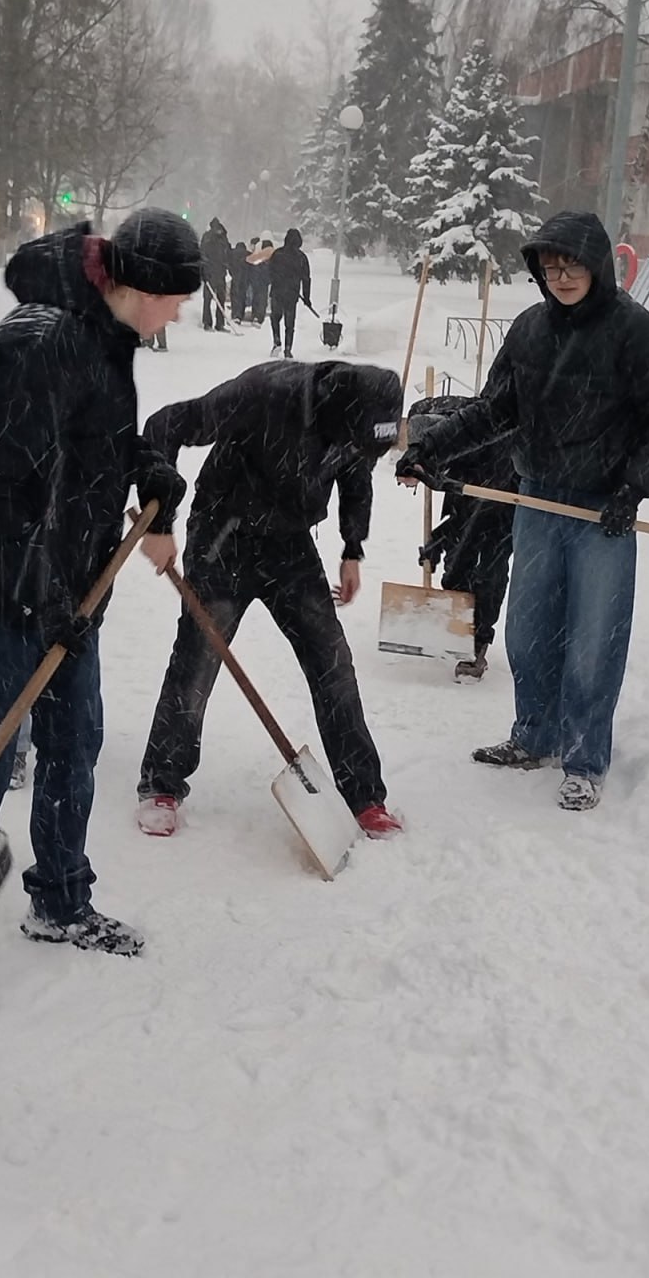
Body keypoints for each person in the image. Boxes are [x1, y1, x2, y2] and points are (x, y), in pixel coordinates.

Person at [0, 209, 201, 1012]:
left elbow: (87, 442)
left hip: (68, 589)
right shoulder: (36, 342)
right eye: (177, 299)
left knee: (74, 744)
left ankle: (62, 902)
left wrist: (146, 465)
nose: (179, 314)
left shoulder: (103, 336)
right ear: (141, 287)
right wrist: (38, 596)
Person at [397, 210, 649, 811]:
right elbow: (494, 410)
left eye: (571, 266)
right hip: (535, 499)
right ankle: (534, 737)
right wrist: (430, 446)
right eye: (550, 267)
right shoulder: (530, 330)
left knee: (592, 643)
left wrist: (633, 489)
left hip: (603, 513)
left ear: (597, 266)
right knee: (529, 633)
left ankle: (584, 760)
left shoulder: (636, 332)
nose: (560, 277)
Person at [136, 359, 405, 840]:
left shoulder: (357, 424)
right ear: (334, 410)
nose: (354, 451)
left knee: (332, 663)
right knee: (198, 660)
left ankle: (365, 796)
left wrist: (352, 548)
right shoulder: (263, 393)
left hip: (290, 543)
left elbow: (355, 475)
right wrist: (159, 523)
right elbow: (166, 424)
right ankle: (162, 784)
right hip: (224, 534)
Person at [407, 395, 516, 681]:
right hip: (469, 483)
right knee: (456, 565)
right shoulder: (431, 420)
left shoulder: (490, 440)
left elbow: (480, 516)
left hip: (506, 492)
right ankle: (456, 629)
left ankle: (478, 642)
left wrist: (447, 538)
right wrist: (440, 539)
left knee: (489, 568)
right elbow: (461, 513)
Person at [268, 227, 312, 359]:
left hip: (277, 291)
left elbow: (269, 272)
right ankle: (288, 348)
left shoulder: (277, 254)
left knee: (275, 318)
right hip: (292, 294)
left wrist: (275, 281)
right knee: (290, 323)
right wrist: (306, 297)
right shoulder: (301, 258)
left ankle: (277, 341)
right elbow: (306, 279)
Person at [200, 216, 231, 331]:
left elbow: (202, 255)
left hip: (216, 272)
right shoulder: (214, 238)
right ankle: (212, 323)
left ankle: (214, 323)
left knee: (215, 299)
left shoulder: (219, 238)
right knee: (212, 298)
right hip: (213, 272)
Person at [247, 235, 274, 324]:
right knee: (262, 298)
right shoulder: (272, 257)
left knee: (256, 297)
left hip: (257, 279)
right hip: (264, 280)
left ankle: (255, 314)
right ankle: (259, 316)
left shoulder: (259, 256)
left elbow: (251, 263)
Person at [229, 240, 249, 323]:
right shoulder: (248, 254)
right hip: (245, 279)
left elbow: (229, 265)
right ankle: (240, 314)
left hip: (235, 278)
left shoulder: (232, 254)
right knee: (242, 296)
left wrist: (232, 274)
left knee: (234, 296)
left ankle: (234, 314)